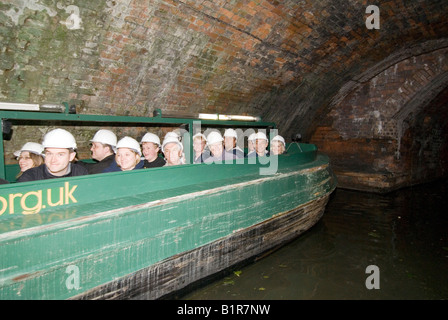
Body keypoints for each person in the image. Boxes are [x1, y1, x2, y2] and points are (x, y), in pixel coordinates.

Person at [17, 128, 88, 182]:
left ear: (71, 156)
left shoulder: (80, 173)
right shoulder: (30, 177)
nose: (53, 160)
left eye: (60, 154)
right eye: (49, 154)